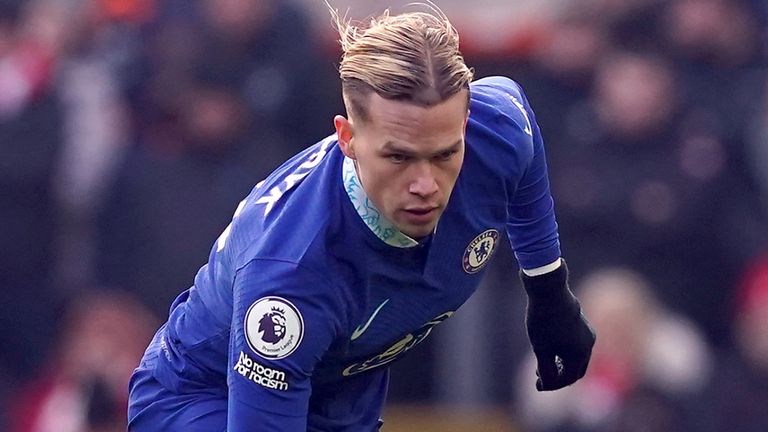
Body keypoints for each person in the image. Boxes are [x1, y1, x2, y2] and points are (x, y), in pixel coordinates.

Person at [127, 6, 596, 431]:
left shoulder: (497, 126)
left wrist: (548, 290)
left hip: (339, 395)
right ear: (347, 138)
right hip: (207, 400)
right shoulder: (293, 277)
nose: (426, 184)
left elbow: (524, 143)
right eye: (399, 157)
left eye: (445, 154)